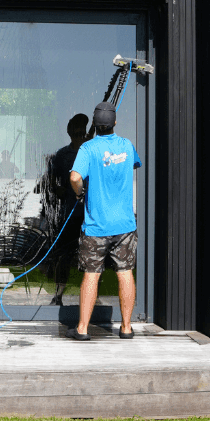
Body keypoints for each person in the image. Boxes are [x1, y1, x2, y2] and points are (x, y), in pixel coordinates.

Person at [65, 101, 141, 341]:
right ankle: (126, 328)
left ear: (94, 126)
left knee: (91, 274)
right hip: (125, 226)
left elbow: (75, 176)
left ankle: (83, 329)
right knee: (125, 272)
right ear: (114, 123)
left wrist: (79, 192)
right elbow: (134, 165)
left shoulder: (88, 148)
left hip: (96, 226)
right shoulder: (127, 146)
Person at [41, 113, 89, 306]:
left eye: (82, 133)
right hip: (69, 212)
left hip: (91, 213)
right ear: (70, 134)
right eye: (75, 133)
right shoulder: (62, 155)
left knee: (93, 257)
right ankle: (58, 294)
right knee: (63, 256)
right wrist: (58, 188)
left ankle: (94, 297)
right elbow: (50, 178)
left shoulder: (91, 150)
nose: (79, 137)